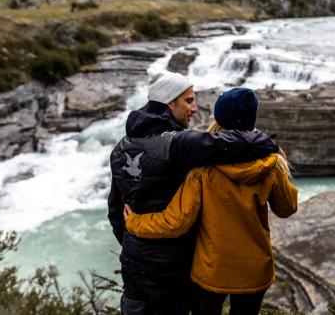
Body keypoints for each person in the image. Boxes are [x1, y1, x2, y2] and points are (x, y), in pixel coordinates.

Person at [108, 70, 280, 315]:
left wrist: (132, 245)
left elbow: (115, 210)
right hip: (171, 262)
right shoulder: (177, 144)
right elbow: (229, 144)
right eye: (188, 101)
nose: (195, 109)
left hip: (133, 260)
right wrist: (267, 143)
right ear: (170, 103)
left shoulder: (120, 147)